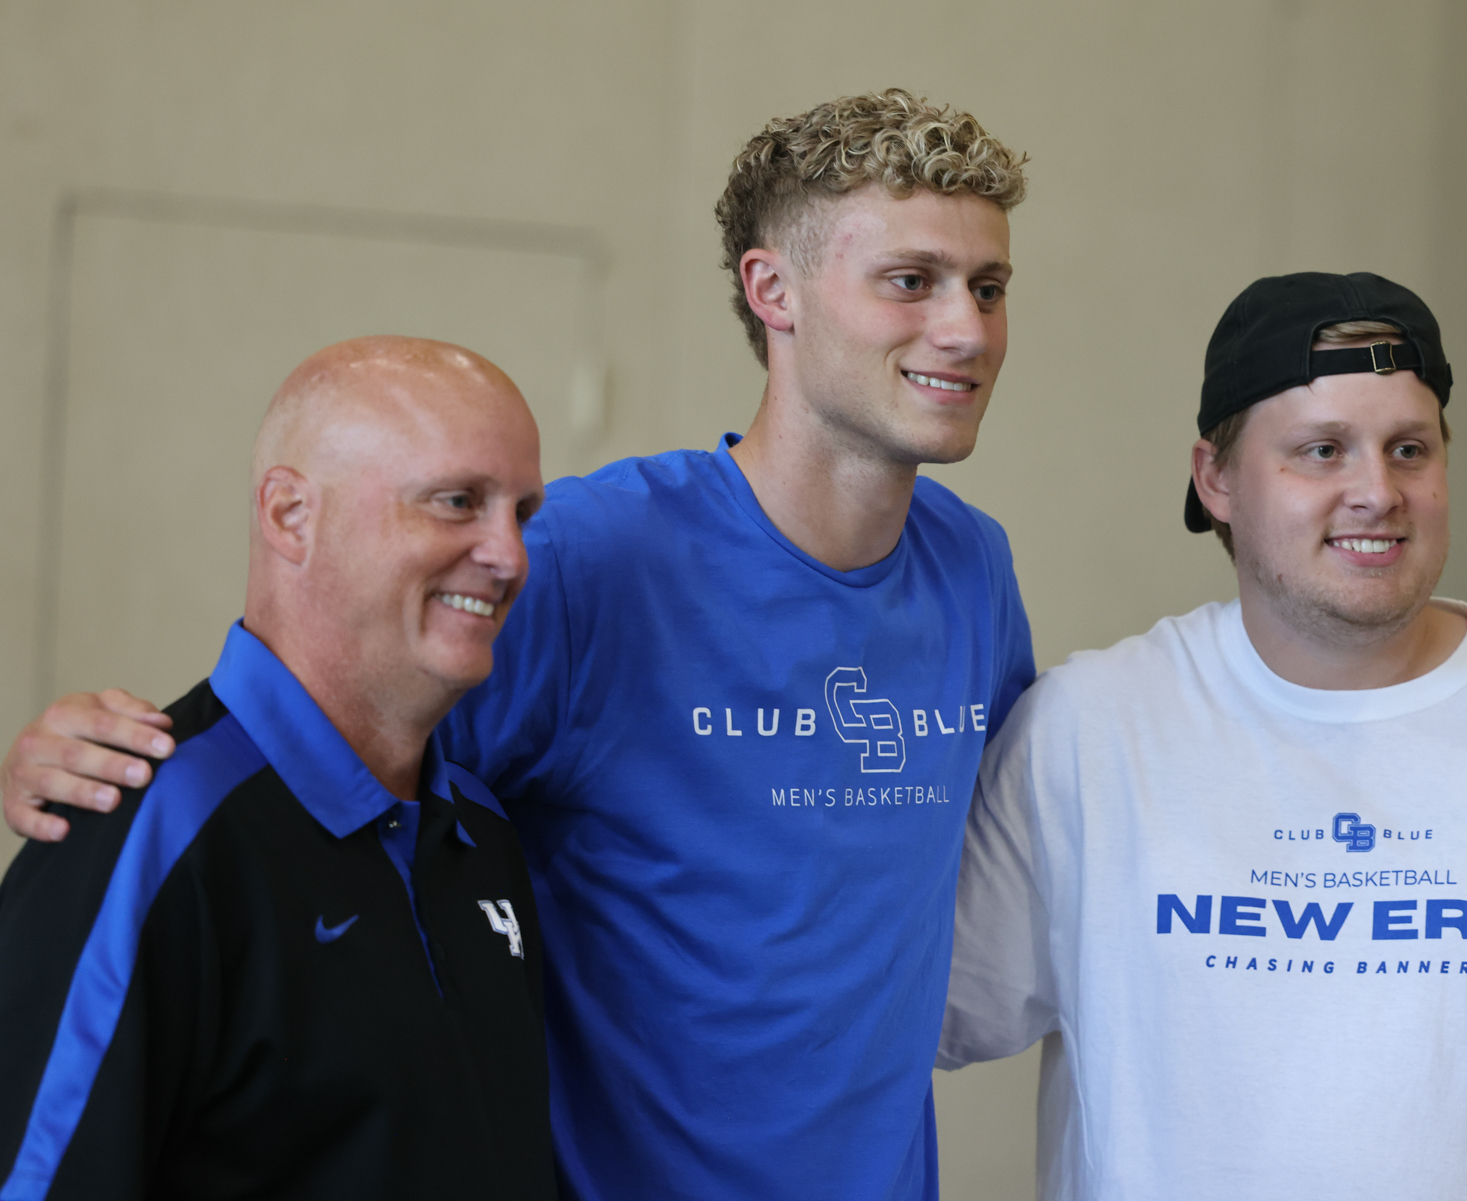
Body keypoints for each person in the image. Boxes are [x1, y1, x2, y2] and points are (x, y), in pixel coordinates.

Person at [4, 91, 1034, 1200]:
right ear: (770, 291)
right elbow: (319, 747)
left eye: (987, 288)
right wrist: (115, 767)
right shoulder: (588, 558)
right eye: (911, 280)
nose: (966, 329)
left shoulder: (973, 570)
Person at [936, 272, 1467, 1200]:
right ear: (1215, 478)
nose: (1377, 492)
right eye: (1322, 450)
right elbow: (902, 1021)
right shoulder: (1087, 737)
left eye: (1409, 449)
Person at [0, 337, 556, 1200]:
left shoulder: (481, 831)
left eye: (522, 512)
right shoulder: (144, 831)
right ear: (290, 515)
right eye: (457, 502)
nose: (511, 556)